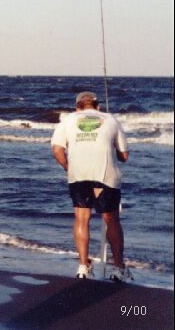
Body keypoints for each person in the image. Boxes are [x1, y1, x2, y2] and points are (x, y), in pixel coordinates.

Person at [51, 91, 131, 282]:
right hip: (106, 175)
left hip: (78, 174)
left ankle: (83, 267)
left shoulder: (68, 120)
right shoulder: (110, 119)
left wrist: (68, 167)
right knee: (111, 219)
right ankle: (118, 268)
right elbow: (124, 155)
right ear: (98, 107)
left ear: (77, 107)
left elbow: (57, 150)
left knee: (81, 218)